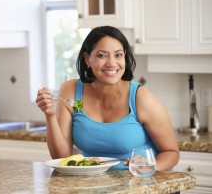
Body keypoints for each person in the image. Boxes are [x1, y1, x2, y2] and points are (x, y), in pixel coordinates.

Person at [35, 26, 179, 170]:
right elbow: (61, 157)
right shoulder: (70, 91)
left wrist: (149, 168)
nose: (111, 63)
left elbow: (171, 153)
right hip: (95, 184)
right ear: (87, 59)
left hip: (142, 183)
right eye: (102, 55)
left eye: (118, 55)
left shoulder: (140, 98)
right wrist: (50, 115)